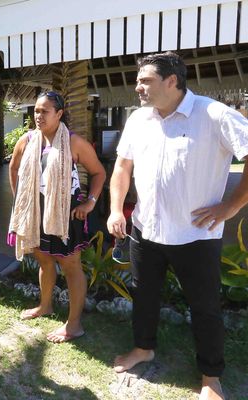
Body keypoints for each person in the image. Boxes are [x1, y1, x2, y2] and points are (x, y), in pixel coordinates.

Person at [107, 51, 248, 400]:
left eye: (146, 81)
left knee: (204, 307)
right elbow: (122, 169)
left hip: (195, 236)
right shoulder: (139, 119)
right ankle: (143, 348)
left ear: (172, 81)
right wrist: (115, 210)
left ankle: (211, 376)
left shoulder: (214, 114)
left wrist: (231, 205)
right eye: (138, 80)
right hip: (146, 230)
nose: (138, 87)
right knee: (144, 295)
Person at [9, 91, 106, 343]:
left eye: (44, 111)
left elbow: (98, 173)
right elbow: (14, 168)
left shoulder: (74, 142)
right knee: (44, 260)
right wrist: (21, 202)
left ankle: (74, 324)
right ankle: (45, 306)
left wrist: (90, 202)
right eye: (36, 110)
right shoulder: (27, 140)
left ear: (59, 113)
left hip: (66, 212)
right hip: (36, 211)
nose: (38, 115)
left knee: (71, 265)